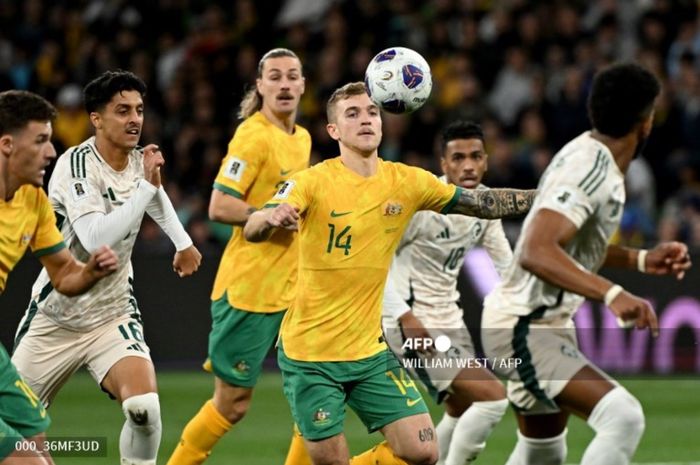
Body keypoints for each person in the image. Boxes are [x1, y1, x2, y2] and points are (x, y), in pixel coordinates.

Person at [243, 81, 536, 465]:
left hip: (370, 352)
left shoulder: (407, 182)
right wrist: (271, 217)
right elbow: (252, 227)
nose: (365, 119)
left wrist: (549, 194)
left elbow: (482, 203)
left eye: (371, 112)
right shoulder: (312, 181)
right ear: (334, 131)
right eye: (352, 114)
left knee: (424, 451)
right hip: (311, 354)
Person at [481, 62, 691, 465]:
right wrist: (612, 294)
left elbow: (568, 244)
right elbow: (537, 250)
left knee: (543, 452)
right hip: (523, 326)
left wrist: (643, 260)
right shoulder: (590, 169)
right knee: (623, 418)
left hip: (540, 323)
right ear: (645, 122)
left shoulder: (584, 155)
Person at [11, 71, 201, 465]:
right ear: (96, 119)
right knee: (11, 433)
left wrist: (183, 243)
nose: (135, 119)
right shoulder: (75, 165)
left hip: (112, 313)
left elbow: (155, 196)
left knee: (145, 409)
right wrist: (148, 186)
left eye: (139, 110)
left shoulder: (136, 164)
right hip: (55, 317)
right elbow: (97, 236)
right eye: (122, 111)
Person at [166, 48, 312, 465]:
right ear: (261, 86)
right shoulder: (253, 135)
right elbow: (219, 206)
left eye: (293, 76)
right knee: (233, 404)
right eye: (275, 77)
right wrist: (265, 214)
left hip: (294, 288)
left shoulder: (300, 138)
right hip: (250, 290)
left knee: (319, 390)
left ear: (302, 85)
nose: (285, 84)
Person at [382, 120, 511, 465]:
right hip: (412, 325)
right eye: (458, 158)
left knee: (462, 406)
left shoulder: (486, 205)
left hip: (449, 321)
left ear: (486, 160)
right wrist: (403, 316)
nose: (467, 165)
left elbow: (507, 269)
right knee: (494, 397)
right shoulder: (423, 204)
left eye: (475, 156)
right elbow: (375, 264)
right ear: (443, 164)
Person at [0, 89, 118, 465]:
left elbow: (65, 273)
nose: (51, 152)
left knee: (36, 440)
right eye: (40, 141)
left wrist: (90, 272)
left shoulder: (33, 200)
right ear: (6, 145)